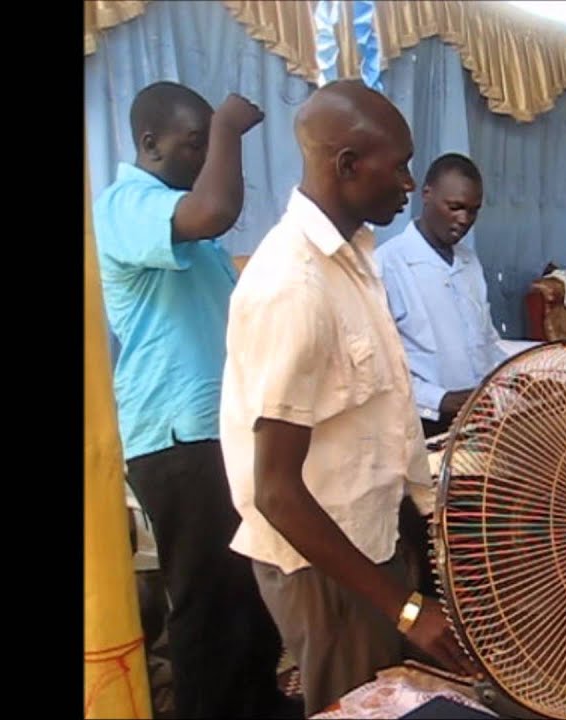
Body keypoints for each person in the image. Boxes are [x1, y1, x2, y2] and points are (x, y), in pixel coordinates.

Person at [219, 79, 480, 718]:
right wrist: (406, 607)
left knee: (395, 697)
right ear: (347, 166)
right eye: (399, 167)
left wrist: (423, 517)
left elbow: (377, 409)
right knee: (354, 704)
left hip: (372, 538)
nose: (407, 182)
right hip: (324, 569)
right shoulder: (294, 283)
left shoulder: (356, 254)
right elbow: (276, 491)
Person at [92, 81, 297, 718]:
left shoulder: (180, 219)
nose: (207, 154)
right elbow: (215, 210)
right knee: (207, 600)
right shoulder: (125, 203)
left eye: (211, 142)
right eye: (196, 142)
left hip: (217, 430)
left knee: (246, 586)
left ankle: (257, 703)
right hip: (174, 437)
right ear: (149, 144)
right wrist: (231, 130)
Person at [375, 153, 506, 437]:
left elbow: (486, 339)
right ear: (427, 195)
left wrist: (515, 375)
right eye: (455, 207)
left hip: (481, 419)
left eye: (473, 211)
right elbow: (377, 367)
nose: (464, 219)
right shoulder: (387, 265)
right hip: (423, 424)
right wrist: (440, 399)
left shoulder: (469, 262)